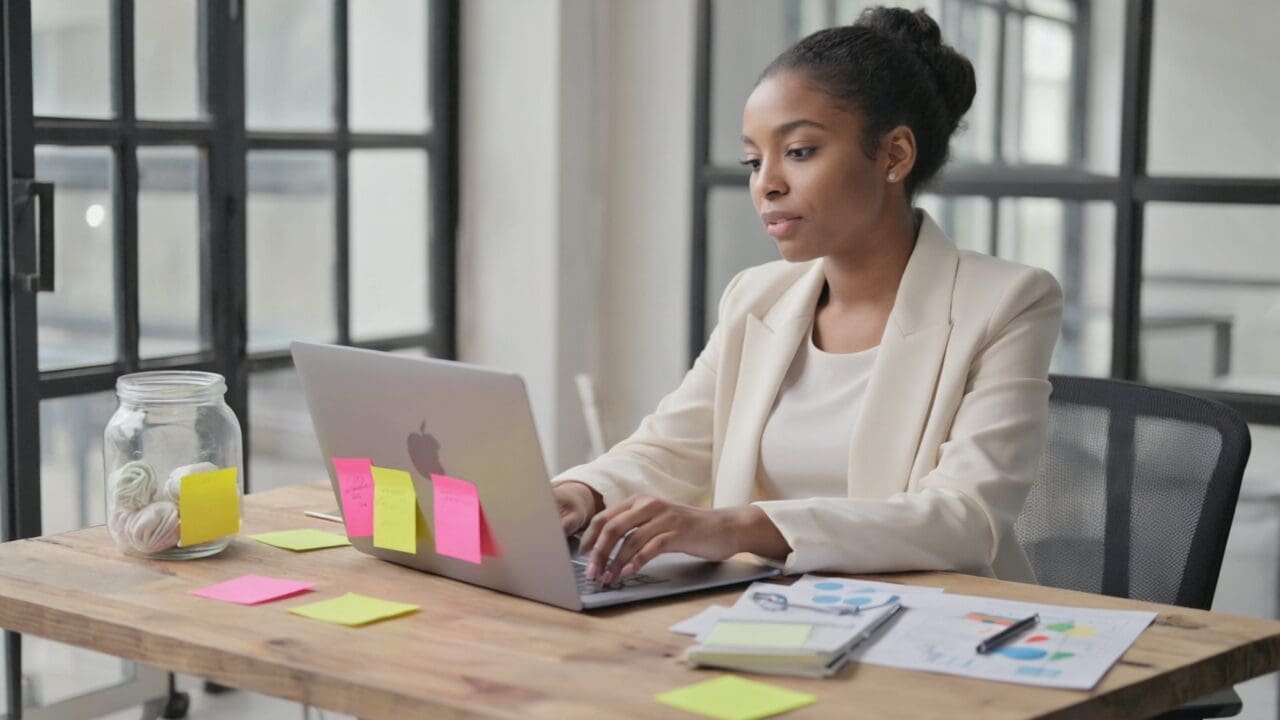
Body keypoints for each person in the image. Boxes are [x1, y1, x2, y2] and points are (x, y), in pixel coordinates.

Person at [552, 6, 1062, 587]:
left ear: (894, 155)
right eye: (753, 160)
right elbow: (674, 446)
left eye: (799, 152)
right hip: (764, 616)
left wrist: (737, 527)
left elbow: (964, 518)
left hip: (932, 623)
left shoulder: (1007, 301)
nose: (766, 183)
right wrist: (580, 492)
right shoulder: (756, 297)